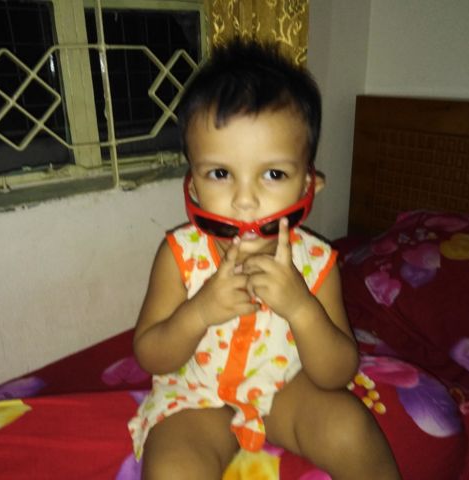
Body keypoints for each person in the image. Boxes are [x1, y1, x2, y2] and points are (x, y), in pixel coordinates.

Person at [128, 39, 401, 479]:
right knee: (173, 468)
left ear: (308, 185)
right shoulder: (179, 255)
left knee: (350, 428)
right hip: (198, 397)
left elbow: (336, 373)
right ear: (193, 185)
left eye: (273, 174)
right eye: (220, 173)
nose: (245, 200)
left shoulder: (316, 263)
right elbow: (151, 355)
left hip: (286, 393)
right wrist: (200, 312)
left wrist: (301, 308)